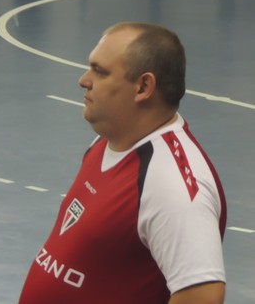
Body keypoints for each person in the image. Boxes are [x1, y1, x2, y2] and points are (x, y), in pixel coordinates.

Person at [18, 22, 227, 304]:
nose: (84, 79)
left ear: (143, 87)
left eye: (100, 71)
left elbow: (203, 296)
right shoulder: (108, 142)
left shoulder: (172, 184)